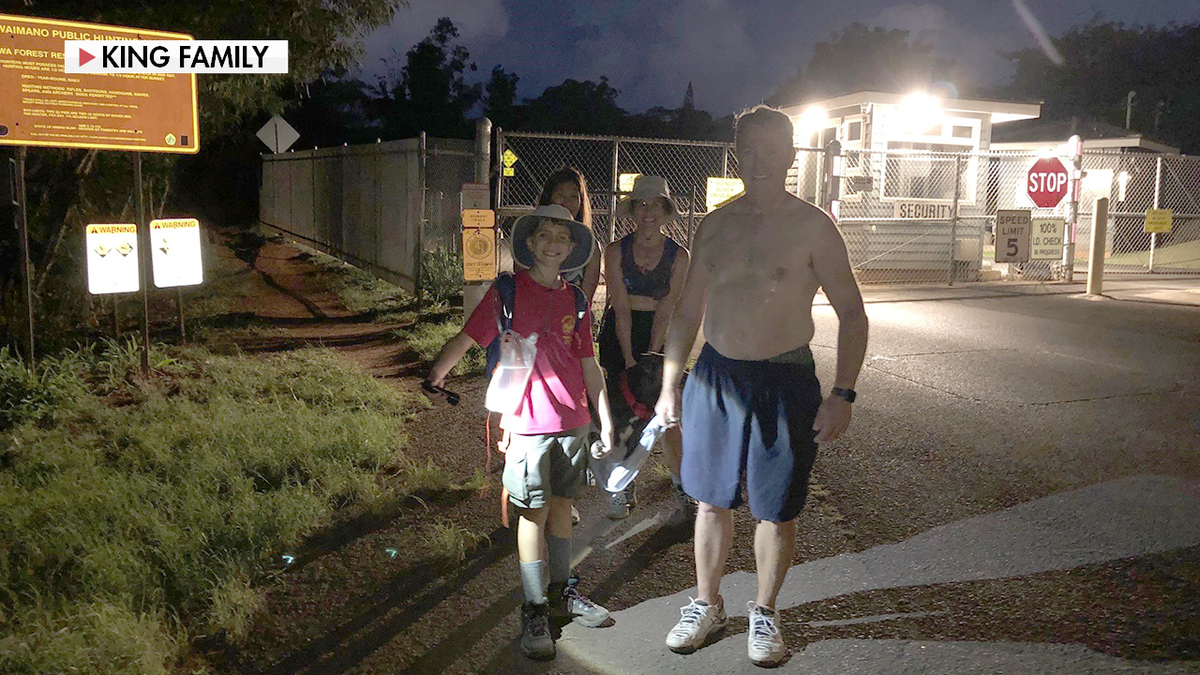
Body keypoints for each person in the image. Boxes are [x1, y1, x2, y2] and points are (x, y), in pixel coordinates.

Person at [655, 105, 868, 667]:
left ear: (792, 154)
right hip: (717, 374)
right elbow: (686, 314)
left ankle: (766, 611)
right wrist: (669, 384)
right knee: (709, 499)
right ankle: (706, 603)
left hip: (786, 376)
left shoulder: (813, 226)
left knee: (775, 509)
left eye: (773, 149)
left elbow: (852, 313)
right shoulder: (716, 225)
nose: (761, 161)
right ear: (737, 154)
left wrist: (842, 394)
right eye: (749, 149)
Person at [427, 204, 616, 661]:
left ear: (573, 249)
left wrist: (604, 417)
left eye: (563, 237)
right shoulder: (508, 292)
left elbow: (588, 364)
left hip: (573, 421)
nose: (554, 243)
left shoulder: (577, 300)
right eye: (545, 235)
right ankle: (533, 608)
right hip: (527, 425)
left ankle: (559, 594)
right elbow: (469, 336)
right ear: (530, 243)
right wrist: (437, 372)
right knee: (530, 514)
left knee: (561, 507)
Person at [598, 175, 691, 520]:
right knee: (623, 412)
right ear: (633, 210)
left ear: (667, 211)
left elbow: (667, 308)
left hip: (661, 334)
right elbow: (620, 307)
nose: (648, 212)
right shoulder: (615, 251)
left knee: (667, 416)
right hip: (622, 333)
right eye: (641, 204)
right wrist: (629, 361)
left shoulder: (679, 255)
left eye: (656, 205)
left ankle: (683, 487)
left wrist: (652, 359)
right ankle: (623, 485)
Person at [533, 167, 603, 303]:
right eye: (560, 195)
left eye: (573, 197)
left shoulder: (591, 248)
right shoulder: (530, 239)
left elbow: (585, 302)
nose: (567, 202)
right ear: (548, 198)